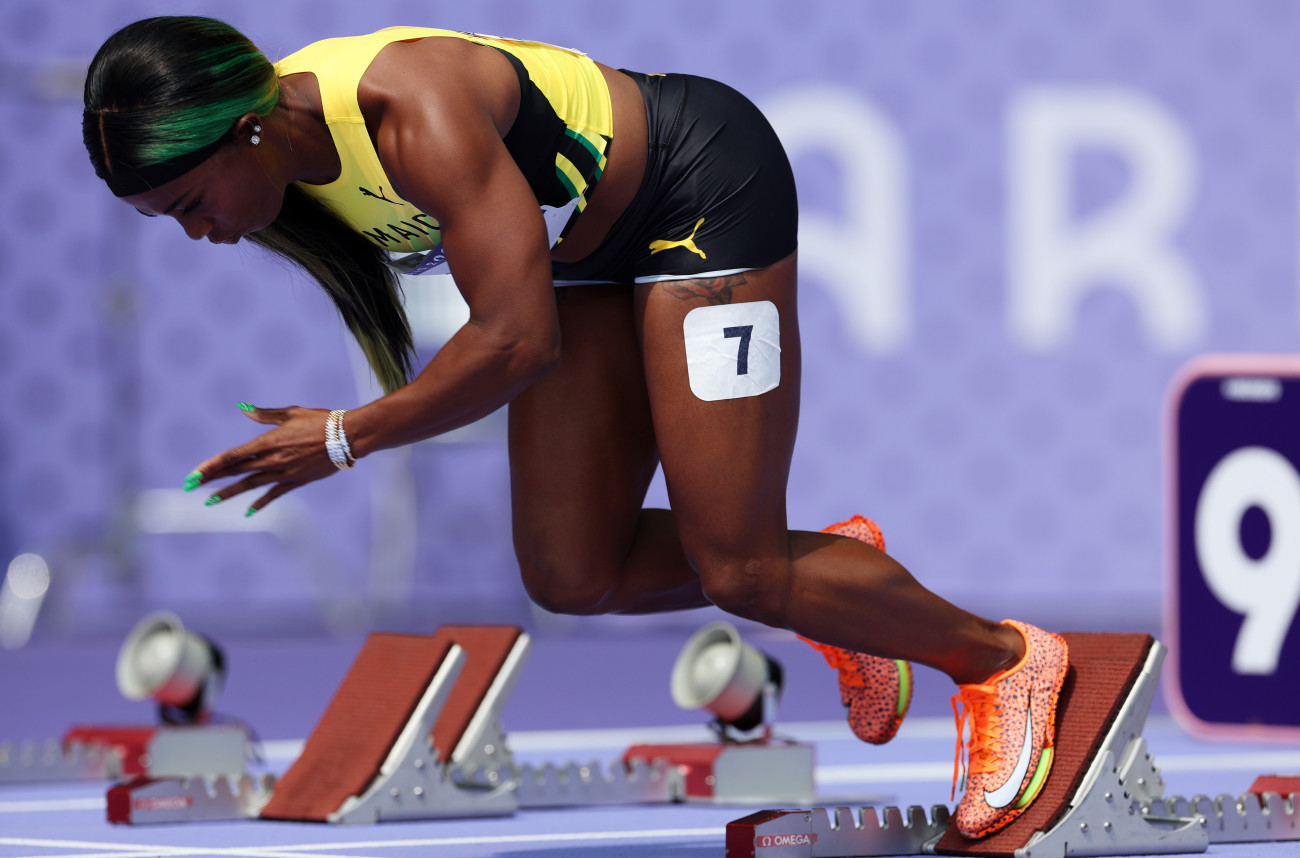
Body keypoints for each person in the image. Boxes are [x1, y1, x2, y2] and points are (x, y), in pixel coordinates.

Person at [83, 16, 1068, 838]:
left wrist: (346, 434)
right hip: (584, 257)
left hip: (700, 196)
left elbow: (516, 343)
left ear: (251, 130)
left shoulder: (409, 109)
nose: (197, 235)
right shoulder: (286, 174)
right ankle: (841, 587)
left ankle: (1001, 660)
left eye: (188, 203)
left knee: (744, 573)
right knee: (572, 571)